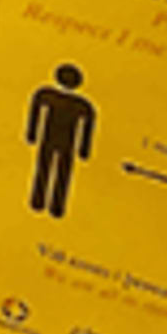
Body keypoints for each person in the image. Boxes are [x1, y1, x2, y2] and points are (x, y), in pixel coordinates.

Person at [26, 62, 97, 218]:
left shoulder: (48, 95)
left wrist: (32, 134)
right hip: (63, 142)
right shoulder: (82, 105)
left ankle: (41, 202)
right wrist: (83, 150)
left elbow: (35, 112)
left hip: (53, 140)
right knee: (57, 172)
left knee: (47, 169)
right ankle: (52, 206)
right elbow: (88, 126)